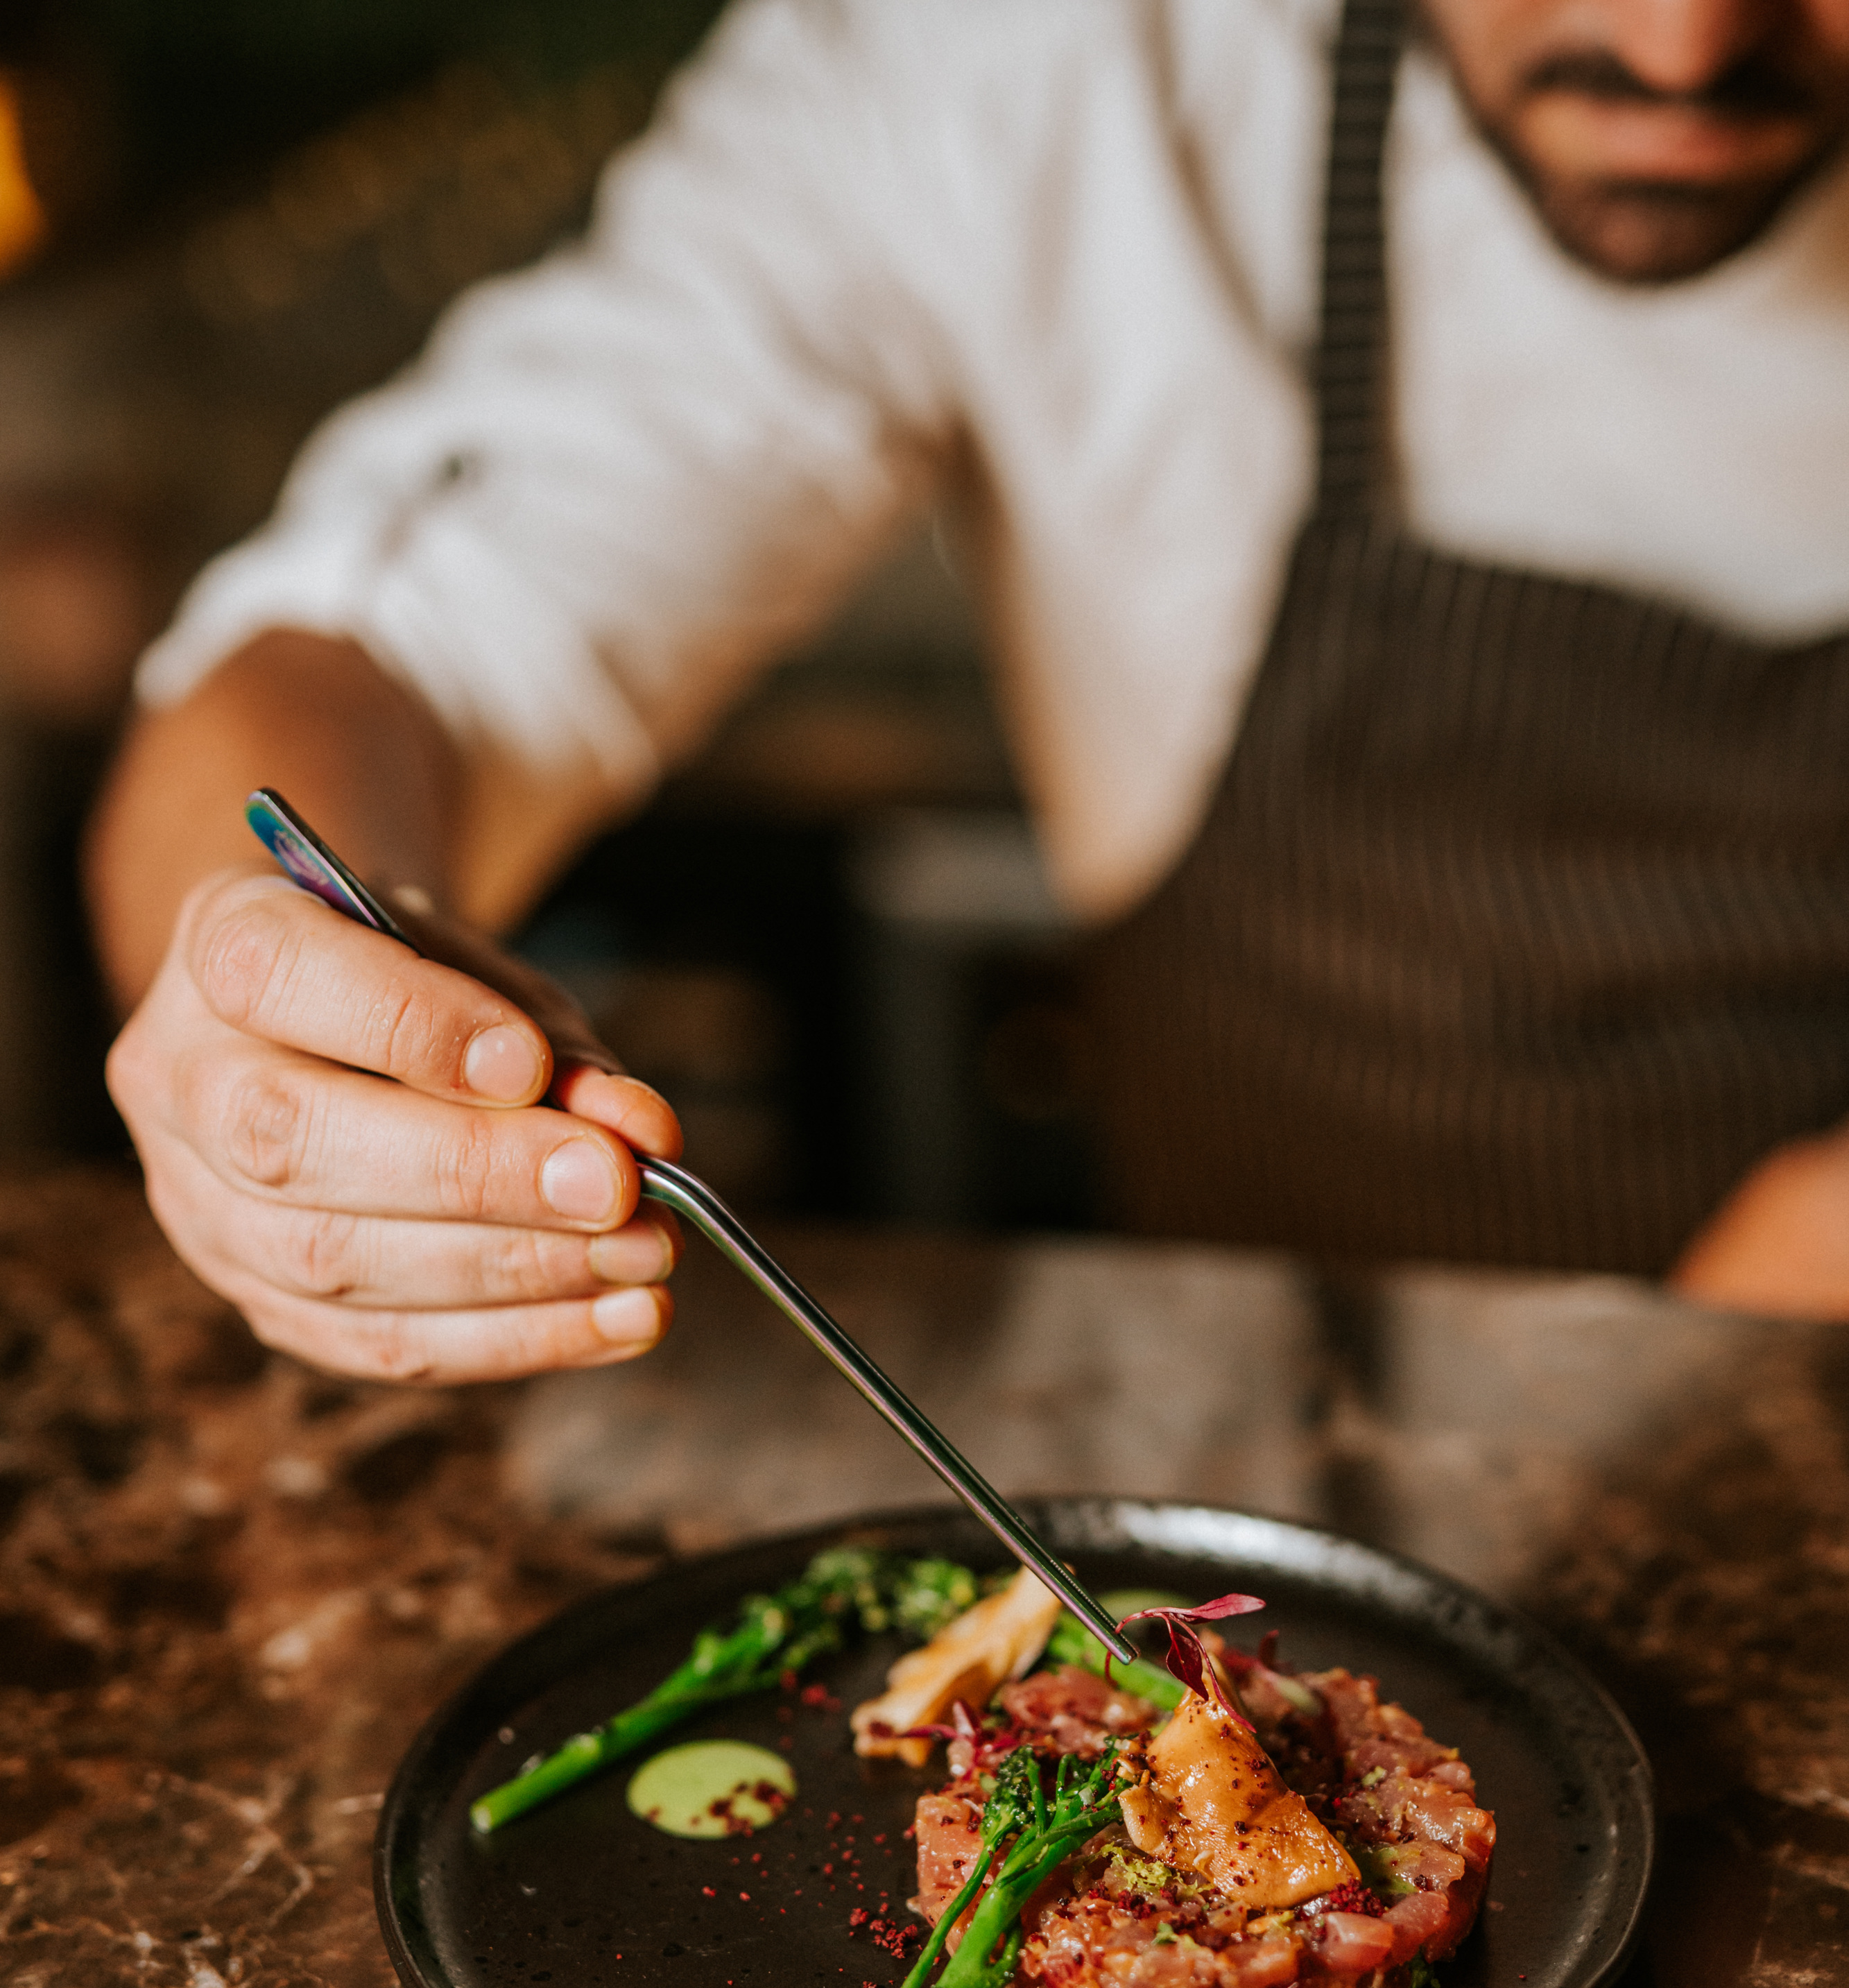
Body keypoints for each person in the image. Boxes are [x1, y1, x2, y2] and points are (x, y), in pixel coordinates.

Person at [89, 0, 1849, 1380]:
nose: (1683, 42)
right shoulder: (1029, 67)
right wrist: (271, 1000)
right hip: (1270, 1482)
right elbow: (376, 661)